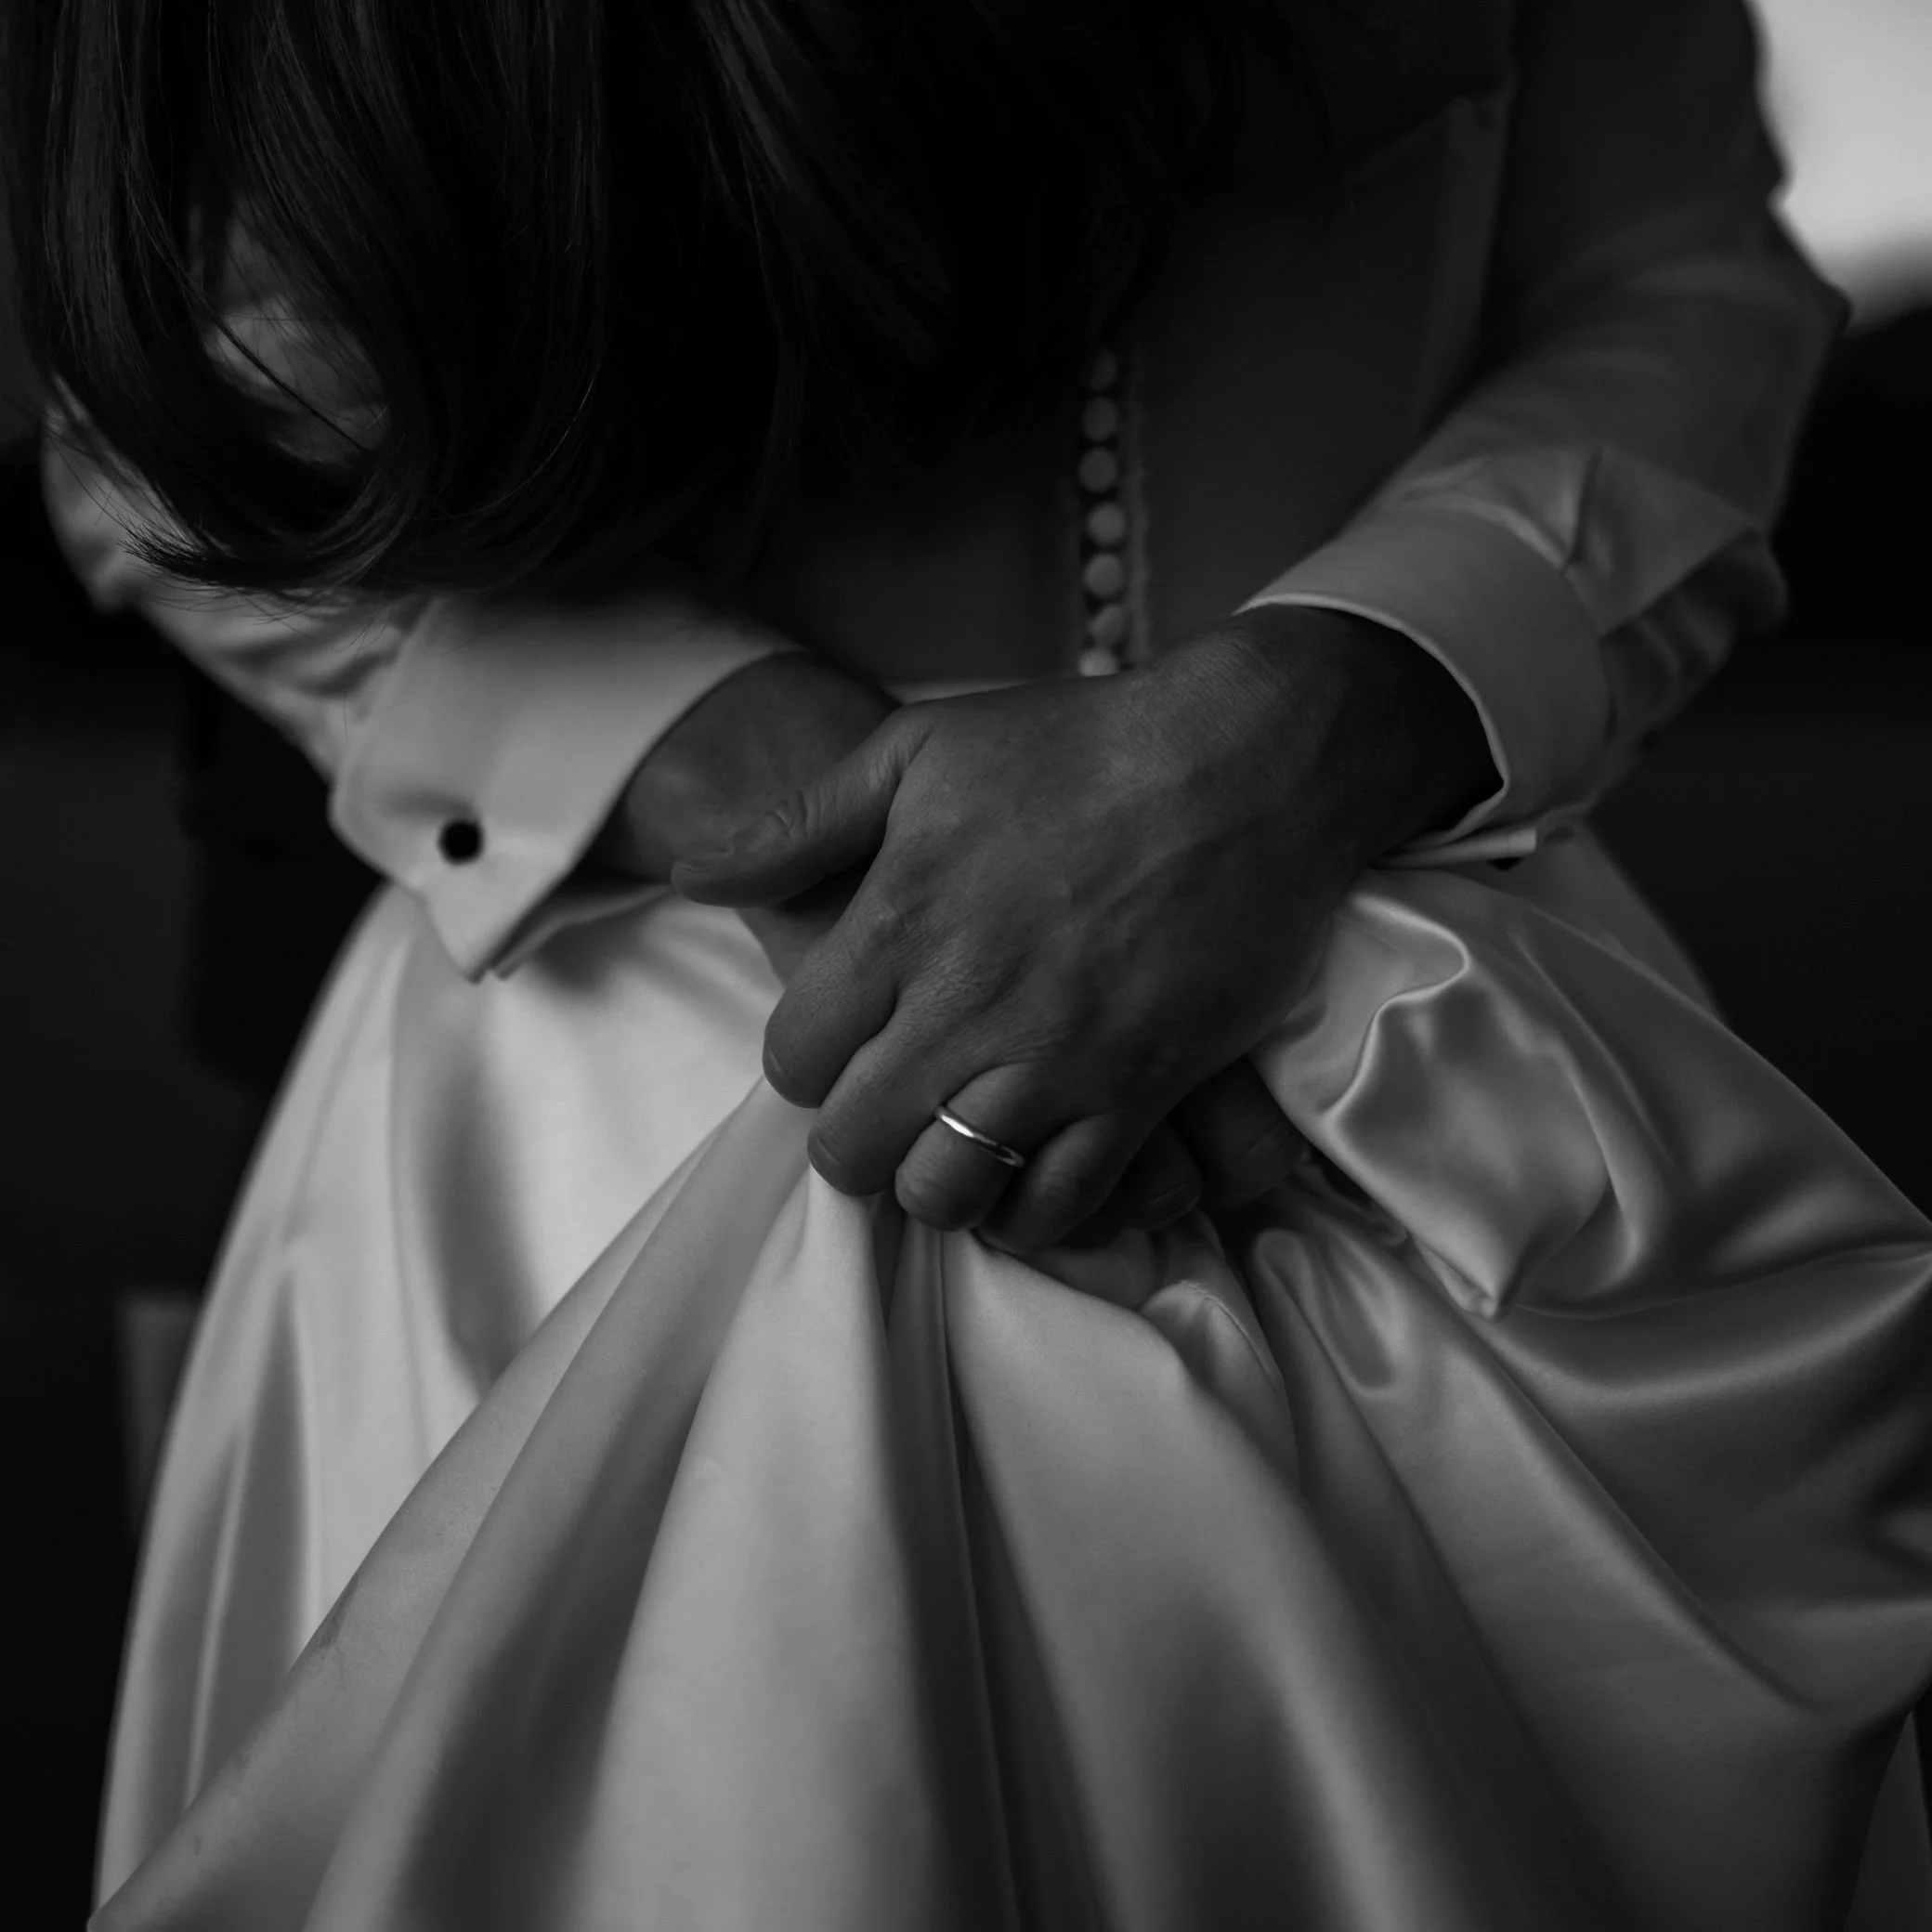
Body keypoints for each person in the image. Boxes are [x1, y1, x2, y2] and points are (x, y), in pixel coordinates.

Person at [12, 0, 1932, 1924]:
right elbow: (156, 408)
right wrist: (727, 763)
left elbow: (1672, 267)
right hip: (599, 1106)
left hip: (1436, 1031)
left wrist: (1327, 706)